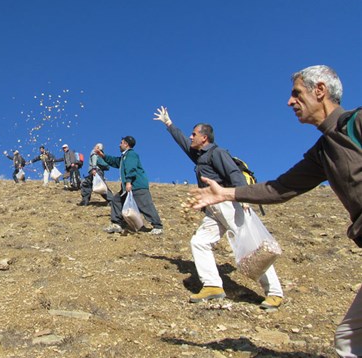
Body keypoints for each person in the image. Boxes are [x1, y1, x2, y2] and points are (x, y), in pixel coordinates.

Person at [190, 65, 360, 357]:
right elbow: (280, 188)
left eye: (296, 93)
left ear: (320, 91)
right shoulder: (322, 152)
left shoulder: (356, 124)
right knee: (349, 338)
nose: (289, 102)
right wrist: (227, 193)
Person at [153, 107, 284, 309]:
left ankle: (275, 293)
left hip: (230, 203)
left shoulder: (217, 153)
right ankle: (213, 286)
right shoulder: (200, 156)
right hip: (213, 209)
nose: (190, 137)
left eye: (194, 134)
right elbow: (183, 143)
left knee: (253, 248)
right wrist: (169, 124)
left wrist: (244, 197)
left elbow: (234, 173)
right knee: (199, 242)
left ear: (204, 138)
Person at [96, 136, 163, 235]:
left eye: (121, 142)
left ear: (126, 144)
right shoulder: (124, 157)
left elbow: (131, 168)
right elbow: (115, 161)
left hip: (137, 186)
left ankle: (158, 226)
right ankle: (117, 224)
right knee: (116, 200)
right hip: (128, 187)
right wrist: (103, 156)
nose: (119, 144)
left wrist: (128, 182)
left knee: (145, 205)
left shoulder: (131, 154)